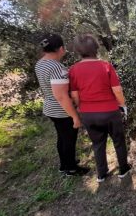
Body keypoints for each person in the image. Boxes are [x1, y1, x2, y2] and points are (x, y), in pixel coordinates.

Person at [68, 34, 130, 183]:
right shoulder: (106, 66)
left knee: (97, 143)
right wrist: (123, 105)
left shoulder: (73, 69)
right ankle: (123, 169)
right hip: (110, 111)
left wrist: (80, 107)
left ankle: (101, 174)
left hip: (88, 113)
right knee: (119, 141)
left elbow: (75, 95)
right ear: (96, 48)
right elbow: (117, 90)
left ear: (79, 51)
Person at [35, 33, 89, 176]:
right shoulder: (57, 68)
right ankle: (71, 169)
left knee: (62, 137)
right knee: (69, 140)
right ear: (61, 49)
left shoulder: (40, 64)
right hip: (62, 111)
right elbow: (61, 96)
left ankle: (64, 164)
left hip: (50, 108)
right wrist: (75, 117)